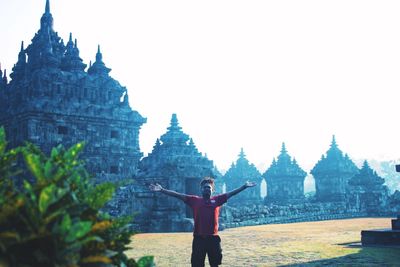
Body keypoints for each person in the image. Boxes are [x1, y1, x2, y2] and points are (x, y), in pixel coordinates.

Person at [149, 177, 256, 267]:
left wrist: (244, 186)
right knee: (197, 264)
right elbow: (178, 195)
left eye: (209, 188)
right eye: (205, 188)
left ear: (212, 190)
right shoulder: (194, 200)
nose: (207, 189)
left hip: (213, 238)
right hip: (199, 238)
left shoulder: (217, 200)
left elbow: (231, 193)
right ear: (201, 189)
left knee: (215, 264)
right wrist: (162, 190)